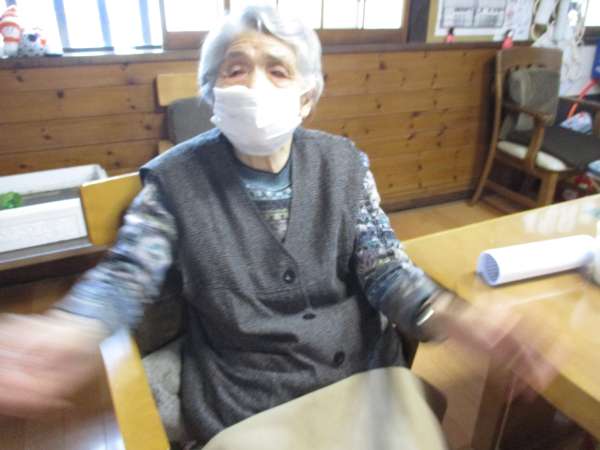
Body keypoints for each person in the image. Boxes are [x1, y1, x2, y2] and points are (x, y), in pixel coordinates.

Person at [0, 5, 558, 447]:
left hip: (360, 373)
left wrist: (458, 320)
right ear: (211, 91)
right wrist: (72, 327)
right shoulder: (173, 181)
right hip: (246, 395)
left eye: (278, 69)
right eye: (235, 68)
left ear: (307, 95)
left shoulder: (344, 164)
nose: (254, 84)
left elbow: (385, 269)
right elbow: (128, 274)